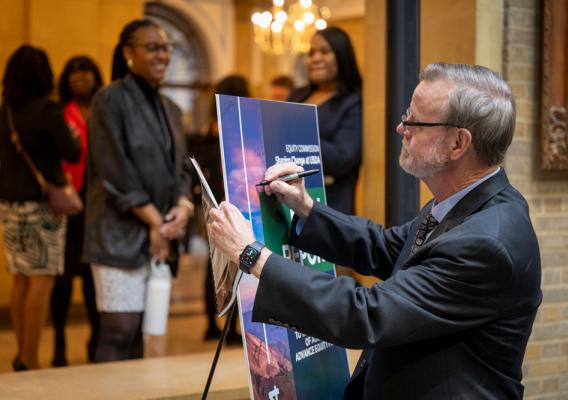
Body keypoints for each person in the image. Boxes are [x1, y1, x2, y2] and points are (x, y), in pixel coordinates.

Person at [208, 62, 542, 399]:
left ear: (458, 143)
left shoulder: (486, 242)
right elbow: (383, 247)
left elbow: (367, 314)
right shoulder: (462, 202)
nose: (401, 128)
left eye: (414, 120)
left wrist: (252, 255)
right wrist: (305, 206)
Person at [84, 19, 193, 362]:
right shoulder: (109, 99)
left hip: (158, 235)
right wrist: (154, 222)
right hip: (118, 232)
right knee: (118, 332)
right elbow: (113, 168)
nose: (162, 55)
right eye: (153, 47)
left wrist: (184, 206)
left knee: (143, 336)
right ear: (128, 52)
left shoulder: (172, 109)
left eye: (166, 48)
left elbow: (182, 169)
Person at [0, 45, 82, 370]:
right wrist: (72, 133)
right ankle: (30, 358)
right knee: (42, 281)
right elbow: (73, 153)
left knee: (21, 278)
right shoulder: (47, 110)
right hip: (42, 208)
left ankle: (22, 352)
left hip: (8, 205)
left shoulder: (4, 111)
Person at [50, 56, 103, 367]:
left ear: (96, 77)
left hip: (96, 204)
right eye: (74, 72)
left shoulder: (104, 111)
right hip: (68, 204)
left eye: (87, 71)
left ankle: (95, 341)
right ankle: (58, 342)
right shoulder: (59, 113)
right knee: (62, 280)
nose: (81, 77)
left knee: (93, 280)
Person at [189, 75, 248, 343]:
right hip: (237, 203)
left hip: (212, 204)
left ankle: (210, 325)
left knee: (212, 268)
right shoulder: (241, 130)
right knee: (237, 266)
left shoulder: (210, 132)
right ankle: (232, 327)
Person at [288, 26, 361, 215]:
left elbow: (342, 159)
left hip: (330, 204)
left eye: (324, 51)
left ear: (342, 56)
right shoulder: (297, 96)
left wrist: (295, 138)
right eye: (311, 53)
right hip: (289, 198)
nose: (315, 59)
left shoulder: (352, 101)